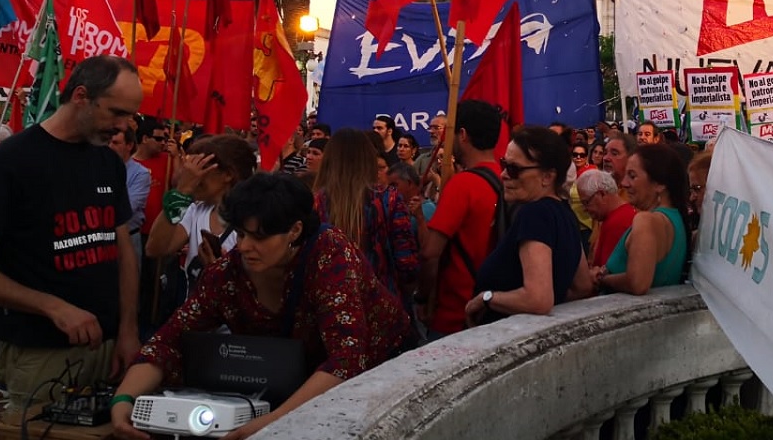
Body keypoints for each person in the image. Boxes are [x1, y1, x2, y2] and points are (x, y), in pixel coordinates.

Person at [110, 174, 411, 440]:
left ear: (295, 230)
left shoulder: (331, 255)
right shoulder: (227, 274)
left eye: (259, 237)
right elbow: (169, 340)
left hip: (378, 386)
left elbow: (347, 359)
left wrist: (272, 422)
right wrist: (124, 399)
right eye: (241, 234)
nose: (243, 247)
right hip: (292, 392)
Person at [0, 55, 143, 415]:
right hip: (41, 353)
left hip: (107, 350)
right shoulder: (12, 162)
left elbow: (123, 252)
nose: (124, 126)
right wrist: (53, 307)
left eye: (130, 115)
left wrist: (128, 330)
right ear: (81, 96)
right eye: (116, 112)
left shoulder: (107, 161)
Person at [465, 127, 592, 326]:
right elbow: (582, 286)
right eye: (504, 164)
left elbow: (538, 299)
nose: (504, 175)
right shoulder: (565, 212)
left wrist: (487, 299)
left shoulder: (535, 214)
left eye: (514, 169)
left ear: (547, 177)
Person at [418, 100, 503, 340]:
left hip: (455, 315)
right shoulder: (507, 180)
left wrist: (422, 298)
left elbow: (430, 253)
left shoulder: (462, 184)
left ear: (462, 135)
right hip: (493, 308)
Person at [313, 129, 419, 314]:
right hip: (383, 305)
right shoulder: (389, 199)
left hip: (331, 306)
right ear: (368, 160)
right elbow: (406, 262)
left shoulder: (316, 203)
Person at [146, 134, 257, 309]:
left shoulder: (253, 223)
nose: (193, 176)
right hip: (194, 321)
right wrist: (181, 192)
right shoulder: (195, 210)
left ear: (227, 174)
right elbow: (155, 248)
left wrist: (219, 272)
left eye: (200, 167)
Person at [592, 144, 689, 294]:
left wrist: (602, 278)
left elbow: (638, 283)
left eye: (632, 176)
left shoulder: (646, 220)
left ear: (659, 184)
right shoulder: (676, 219)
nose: (624, 183)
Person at [575, 170, 637, 269]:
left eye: (586, 202)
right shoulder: (624, 214)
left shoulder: (616, 223)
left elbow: (607, 271)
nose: (585, 209)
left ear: (602, 194)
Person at [109, 127, 152, 267]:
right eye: (109, 142)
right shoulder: (100, 169)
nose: (110, 147)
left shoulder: (141, 174)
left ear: (129, 145)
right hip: (104, 239)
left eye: (116, 143)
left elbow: (128, 207)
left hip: (128, 237)